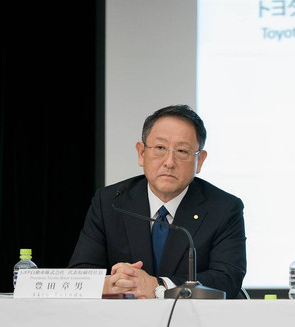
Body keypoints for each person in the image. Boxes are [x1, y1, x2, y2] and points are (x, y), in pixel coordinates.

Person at [69, 105, 246, 299]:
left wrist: (158, 286)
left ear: (200, 160)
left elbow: (227, 279)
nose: (169, 162)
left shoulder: (224, 208)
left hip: (191, 324)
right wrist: (115, 282)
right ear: (141, 153)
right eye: (160, 148)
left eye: (182, 151)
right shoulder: (111, 202)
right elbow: (81, 273)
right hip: (121, 323)